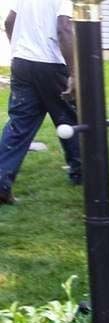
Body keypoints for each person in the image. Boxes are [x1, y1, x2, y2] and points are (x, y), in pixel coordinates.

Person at [0, 0, 80, 205]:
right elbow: (64, 28)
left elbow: (9, 21)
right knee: (69, 117)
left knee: (19, 125)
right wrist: (73, 73)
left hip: (22, 63)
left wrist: (19, 49)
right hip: (51, 66)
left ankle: (1, 184)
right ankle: (81, 173)